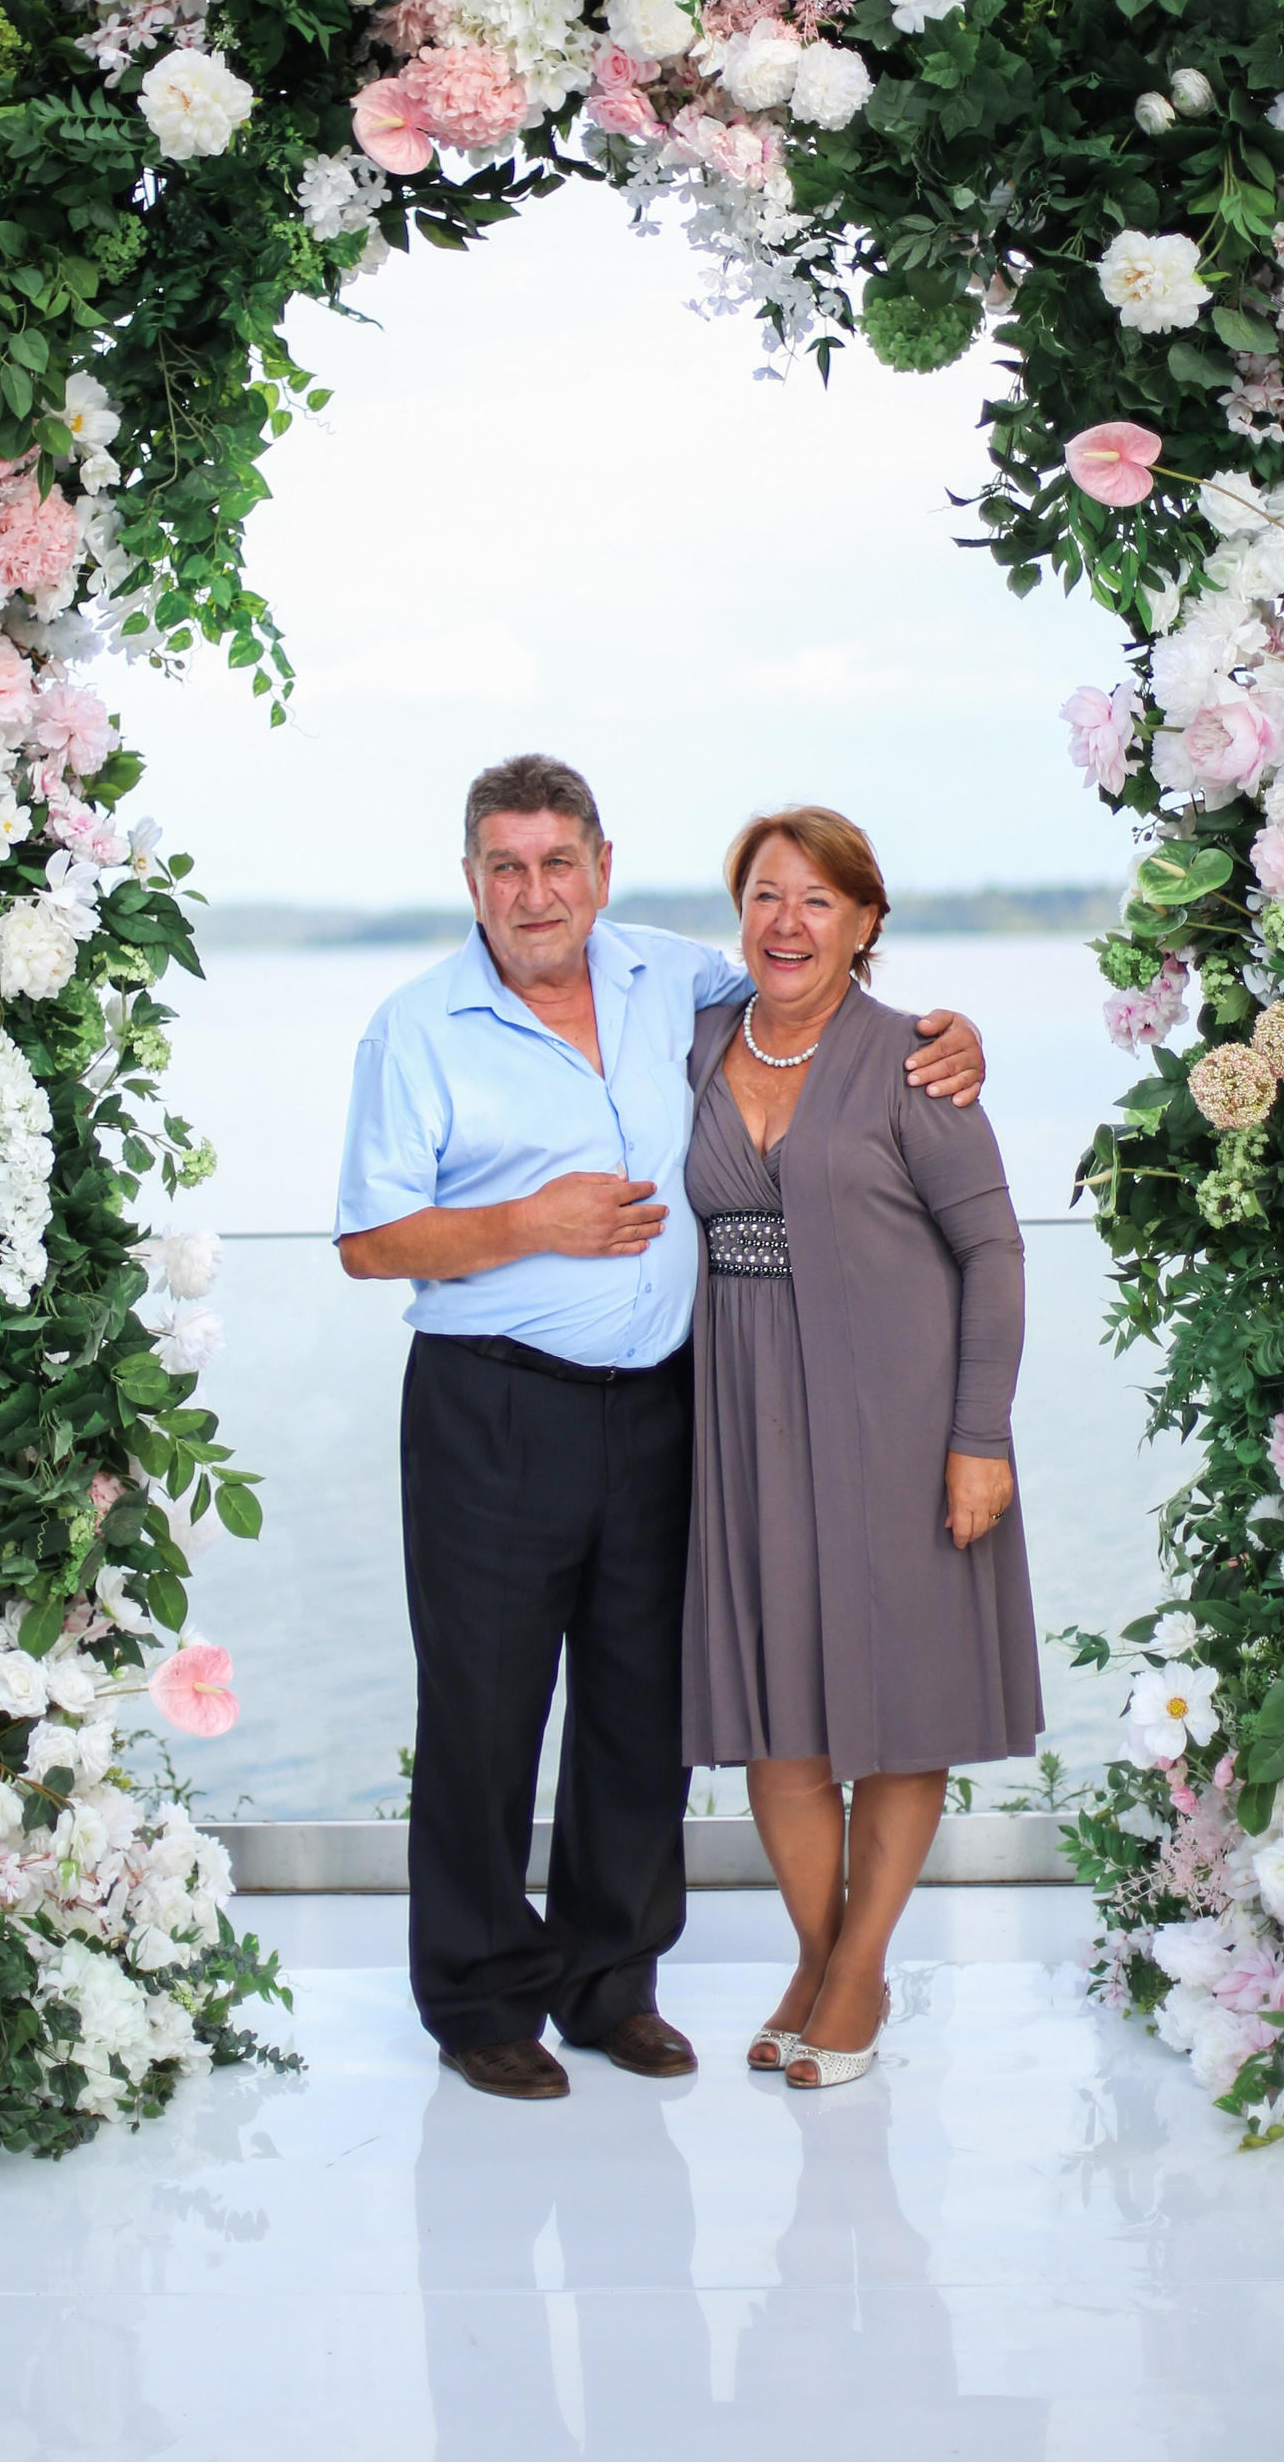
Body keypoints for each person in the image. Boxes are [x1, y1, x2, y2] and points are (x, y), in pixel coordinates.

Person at [334, 754, 988, 2103]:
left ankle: (609, 1982)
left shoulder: (666, 977)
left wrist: (950, 1032)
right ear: (471, 881)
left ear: (602, 869)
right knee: (484, 1714)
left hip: (665, 1406)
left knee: (641, 1711)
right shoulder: (416, 1029)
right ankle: (479, 1998)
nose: (535, 892)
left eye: (557, 863)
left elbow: (806, 989)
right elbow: (369, 1240)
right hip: (492, 1406)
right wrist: (528, 1222)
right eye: (506, 867)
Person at [681, 806, 1039, 2088]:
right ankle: (826, 1958)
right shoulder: (694, 1041)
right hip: (740, 1420)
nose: (788, 922)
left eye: (819, 899)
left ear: (867, 921)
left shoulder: (914, 1063)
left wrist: (978, 1435)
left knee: (898, 1703)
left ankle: (856, 1970)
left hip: (899, 1420)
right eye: (766, 895)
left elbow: (995, 1250)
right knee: (777, 1710)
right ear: (739, 913)